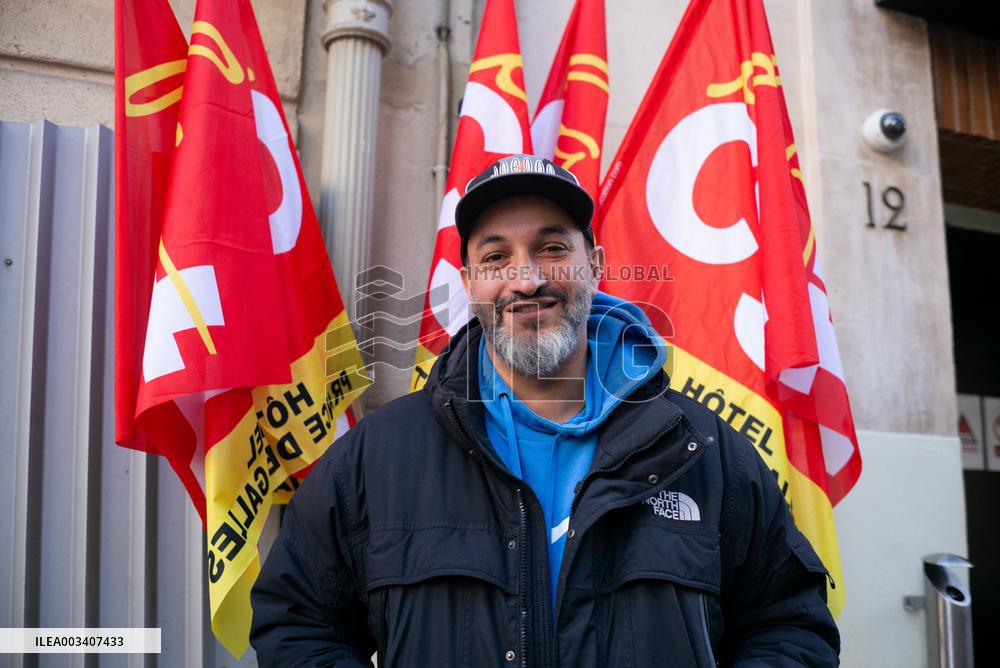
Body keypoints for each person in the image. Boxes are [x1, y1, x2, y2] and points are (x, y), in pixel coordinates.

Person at [250, 154, 840, 667]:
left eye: (553, 248)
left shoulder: (705, 450)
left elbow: (790, 624)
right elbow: (297, 622)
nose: (526, 279)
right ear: (470, 281)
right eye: (496, 257)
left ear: (596, 265)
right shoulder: (376, 458)